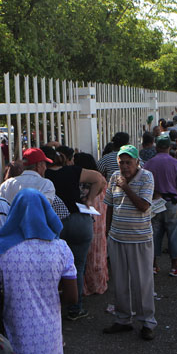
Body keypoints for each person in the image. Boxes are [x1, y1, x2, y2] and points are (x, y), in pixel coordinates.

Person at [0, 189, 78, 354]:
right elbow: (72, 297)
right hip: (49, 331)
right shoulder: (61, 248)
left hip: (14, 329)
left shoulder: (1, 249)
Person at [41, 146, 106, 320]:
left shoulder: (43, 176)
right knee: (77, 266)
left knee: (52, 267)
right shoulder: (73, 171)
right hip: (80, 220)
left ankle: (52, 307)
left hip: (55, 224)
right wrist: (90, 199)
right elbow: (98, 178)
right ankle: (75, 308)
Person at [103, 145, 157, 340]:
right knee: (120, 282)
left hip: (139, 239)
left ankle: (147, 322)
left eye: (128, 162)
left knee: (142, 283)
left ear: (137, 162)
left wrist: (125, 186)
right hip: (117, 237)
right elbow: (109, 205)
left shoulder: (146, 177)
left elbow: (143, 206)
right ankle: (123, 319)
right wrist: (107, 232)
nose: (124, 166)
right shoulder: (113, 178)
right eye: (121, 162)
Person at [144, 135, 177, 276]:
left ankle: (153, 266)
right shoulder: (176, 163)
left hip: (155, 203)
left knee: (154, 234)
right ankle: (174, 267)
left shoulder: (148, 164)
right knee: (175, 234)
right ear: (169, 147)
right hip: (173, 203)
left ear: (156, 147)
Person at [74, 152, 109, 295]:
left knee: (84, 255)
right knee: (98, 252)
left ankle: (84, 287)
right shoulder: (102, 181)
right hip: (101, 220)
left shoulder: (81, 184)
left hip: (87, 219)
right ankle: (98, 283)